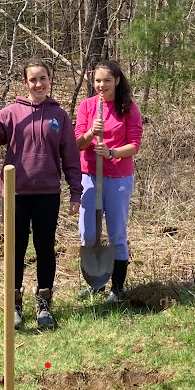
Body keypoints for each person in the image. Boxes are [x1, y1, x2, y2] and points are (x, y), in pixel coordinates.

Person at [0, 58, 82, 329]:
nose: (38, 84)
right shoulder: (12, 113)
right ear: (25, 83)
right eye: (33, 79)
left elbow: (71, 157)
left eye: (43, 78)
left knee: (45, 248)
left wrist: (76, 192)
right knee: (15, 249)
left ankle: (44, 303)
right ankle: (14, 303)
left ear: (50, 81)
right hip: (15, 192)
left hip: (47, 192)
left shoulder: (59, 116)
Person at [74, 59, 143, 302]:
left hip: (118, 178)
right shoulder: (87, 106)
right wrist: (92, 132)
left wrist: (112, 152)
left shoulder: (128, 108)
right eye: (97, 81)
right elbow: (78, 144)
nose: (101, 85)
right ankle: (95, 282)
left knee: (116, 234)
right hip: (90, 176)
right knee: (88, 234)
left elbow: (134, 145)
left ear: (117, 81)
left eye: (107, 80)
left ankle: (117, 288)